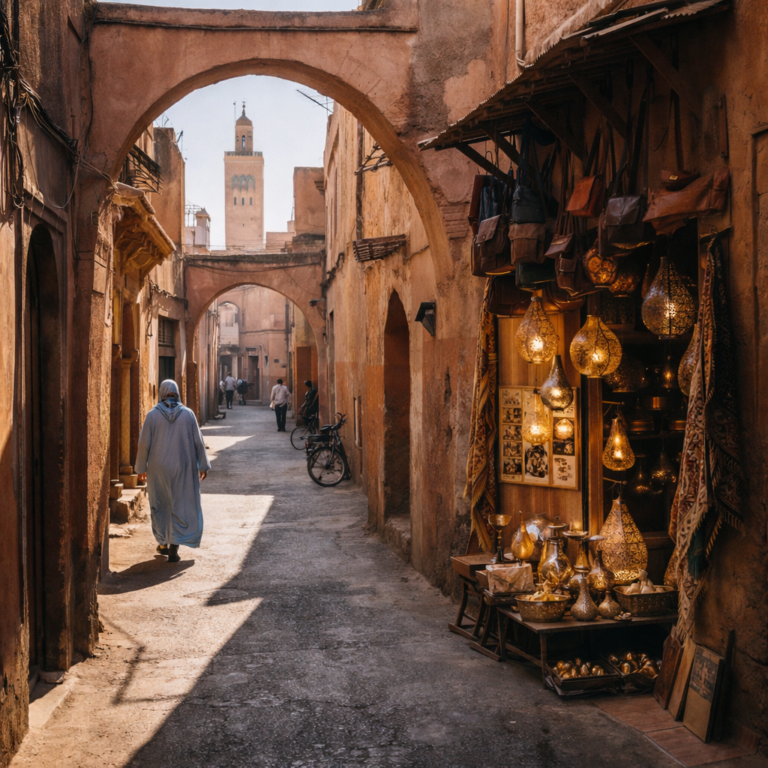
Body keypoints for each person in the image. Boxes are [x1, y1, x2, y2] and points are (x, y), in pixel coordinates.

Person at [135, 380, 210, 563]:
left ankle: (163, 542)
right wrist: (203, 465)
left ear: (161, 393)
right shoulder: (188, 414)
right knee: (179, 503)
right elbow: (198, 442)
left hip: (158, 468)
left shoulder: (152, 415)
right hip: (183, 467)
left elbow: (144, 443)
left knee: (161, 504)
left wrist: (140, 468)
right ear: (177, 393)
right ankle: (174, 548)